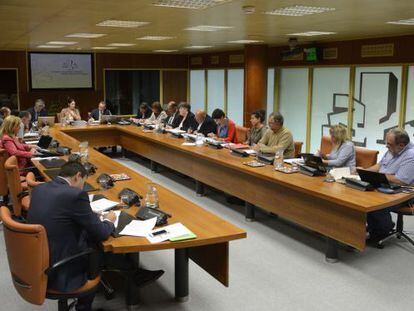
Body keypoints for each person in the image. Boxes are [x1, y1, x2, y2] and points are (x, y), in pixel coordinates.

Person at [27, 161, 164, 311]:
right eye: (83, 183)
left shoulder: (39, 189)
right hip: (62, 267)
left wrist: (88, 214)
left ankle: (133, 272)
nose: (82, 187)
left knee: (92, 240)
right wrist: (109, 221)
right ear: (78, 176)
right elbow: (101, 233)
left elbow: (60, 214)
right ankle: (85, 305)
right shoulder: (75, 195)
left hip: (38, 259)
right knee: (98, 247)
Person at [364, 128, 414, 243]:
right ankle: (380, 225)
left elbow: (401, 181)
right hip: (386, 185)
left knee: (374, 204)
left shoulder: (411, 155)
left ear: (401, 145)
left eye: (389, 144)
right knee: (360, 194)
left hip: (405, 193)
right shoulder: (393, 149)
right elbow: (380, 165)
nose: (387, 146)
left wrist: (378, 177)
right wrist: (364, 172)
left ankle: (381, 231)